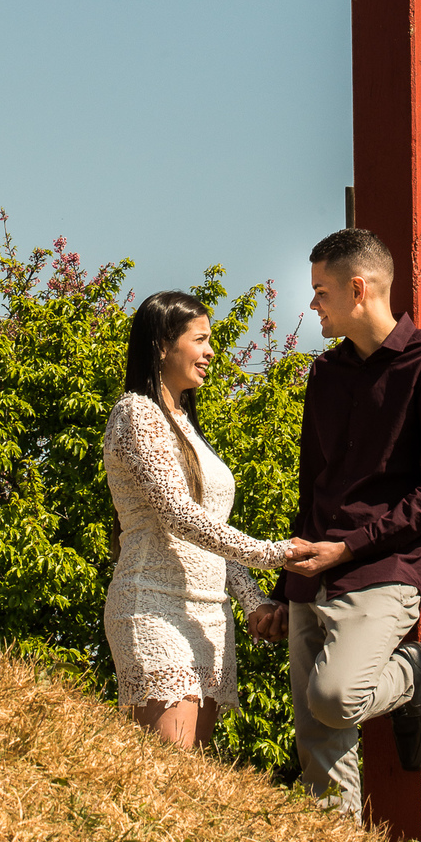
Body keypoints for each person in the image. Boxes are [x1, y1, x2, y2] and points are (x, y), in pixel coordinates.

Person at [250, 227, 421, 818]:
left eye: (321, 291)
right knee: (318, 741)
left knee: (335, 698)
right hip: (311, 569)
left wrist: (346, 550)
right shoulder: (325, 374)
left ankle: (411, 670)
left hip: (381, 569)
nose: (314, 305)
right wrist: (282, 586)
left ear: (358, 288)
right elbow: (313, 488)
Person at [103, 290, 311, 750]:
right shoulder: (136, 413)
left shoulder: (187, 423)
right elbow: (178, 515)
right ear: (162, 344)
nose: (211, 351)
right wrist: (273, 553)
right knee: (167, 776)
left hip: (209, 618)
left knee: (192, 780)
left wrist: (253, 602)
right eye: (200, 339)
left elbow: (209, 530)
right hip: (153, 606)